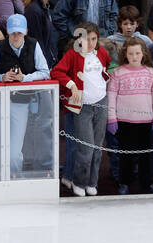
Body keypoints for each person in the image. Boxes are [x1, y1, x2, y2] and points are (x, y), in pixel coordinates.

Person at [51, 20, 109, 196]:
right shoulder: (72, 55)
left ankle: (92, 182)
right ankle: (79, 181)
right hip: (82, 107)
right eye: (86, 39)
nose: (90, 43)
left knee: (98, 147)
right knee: (86, 148)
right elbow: (56, 72)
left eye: (93, 39)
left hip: (101, 103)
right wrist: (72, 86)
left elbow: (106, 68)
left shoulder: (102, 53)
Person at [0, 14, 50, 176]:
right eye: (13, 32)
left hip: (21, 101)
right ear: (7, 32)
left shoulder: (33, 44)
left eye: (19, 32)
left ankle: (15, 180)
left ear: (26, 32)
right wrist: (1, 77)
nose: (16, 36)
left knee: (15, 150)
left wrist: (25, 78)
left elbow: (45, 72)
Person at [105, 35, 153, 193]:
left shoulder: (151, 72)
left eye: (137, 53)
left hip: (146, 121)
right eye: (130, 53)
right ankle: (124, 182)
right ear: (125, 54)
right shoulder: (118, 73)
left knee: (146, 156)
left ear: (143, 53)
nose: (134, 57)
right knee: (126, 155)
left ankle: (146, 183)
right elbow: (112, 97)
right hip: (124, 121)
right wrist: (112, 119)